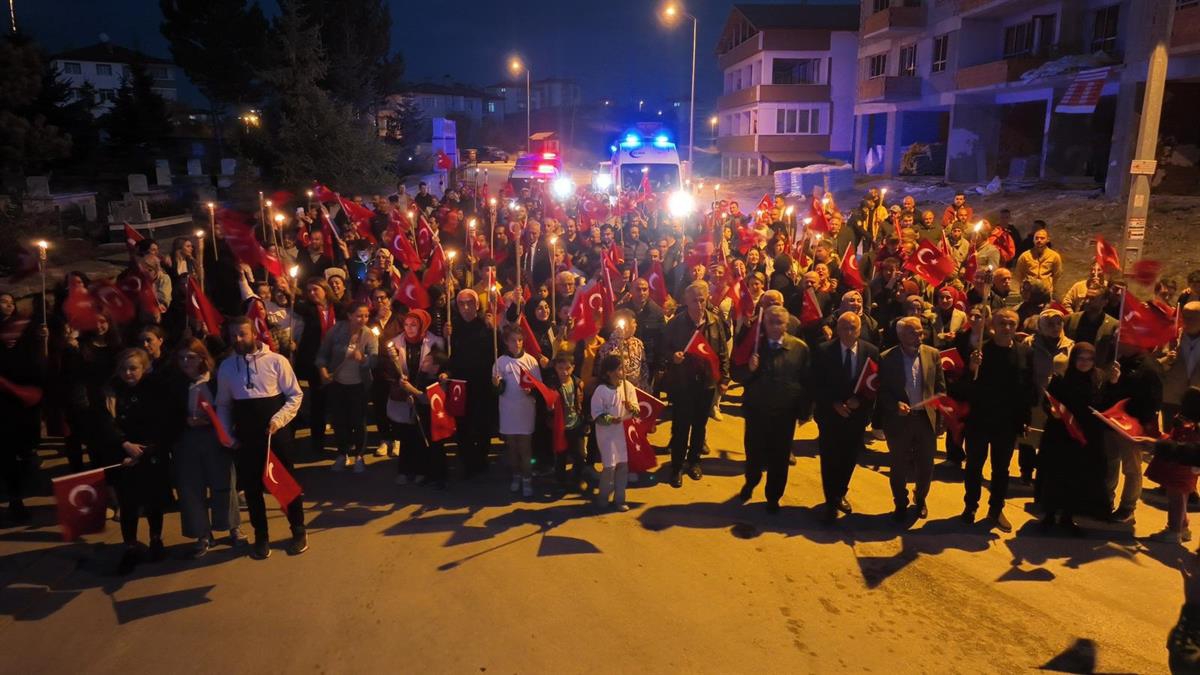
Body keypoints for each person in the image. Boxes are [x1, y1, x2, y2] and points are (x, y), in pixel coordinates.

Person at [215, 316, 307, 560]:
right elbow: (223, 404)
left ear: (253, 333)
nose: (237, 339)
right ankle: (261, 536)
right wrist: (227, 434)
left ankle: (298, 530)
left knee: (285, 486)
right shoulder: (226, 367)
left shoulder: (277, 361)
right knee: (253, 490)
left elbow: (294, 396)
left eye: (242, 334)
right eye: (233, 335)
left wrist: (278, 420)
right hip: (246, 438)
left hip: (276, 435)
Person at [93, 348, 172, 574]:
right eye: (124, 369)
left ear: (144, 368)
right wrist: (124, 446)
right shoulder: (111, 391)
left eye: (133, 368)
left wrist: (147, 450)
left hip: (150, 453)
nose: (128, 373)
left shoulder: (156, 389)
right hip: (123, 456)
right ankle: (130, 546)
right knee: (128, 505)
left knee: (153, 501)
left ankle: (156, 539)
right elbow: (107, 423)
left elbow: (162, 422)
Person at [962, 309, 1034, 532]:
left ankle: (996, 509)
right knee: (974, 466)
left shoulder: (1024, 353)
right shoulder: (980, 351)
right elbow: (964, 388)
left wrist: (1025, 419)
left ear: (1017, 327)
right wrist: (972, 368)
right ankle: (970, 507)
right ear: (993, 325)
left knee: (1001, 470)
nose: (1007, 328)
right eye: (1002, 323)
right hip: (980, 420)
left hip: (1007, 422)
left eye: (1011, 324)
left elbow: (1027, 389)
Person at [171, 338, 241, 558]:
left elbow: (231, 406)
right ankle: (202, 534)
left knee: (224, 484)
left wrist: (215, 421)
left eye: (190, 357)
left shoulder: (216, 379)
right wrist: (185, 421)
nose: (185, 362)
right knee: (191, 488)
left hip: (215, 438)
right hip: (187, 440)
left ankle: (232, 527)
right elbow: (165, 414)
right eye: (181, 358)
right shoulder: (174, 383)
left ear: (202, 357)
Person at [812, 312, 880, 524]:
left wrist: (860, 402)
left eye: (853, 328)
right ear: (837, 329)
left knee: (849, 457)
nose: (849, 332)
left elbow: (874, 385)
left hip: (856, 416)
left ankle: (841, 492)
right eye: (845, 328)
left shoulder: (870, 351)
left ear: (860, 329)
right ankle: (830, 499)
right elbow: (815, 383)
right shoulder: (824, 351)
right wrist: (834, 404)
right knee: (830, 458)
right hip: (830, 415)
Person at [660, 281, 730, 488]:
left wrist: (724, 378)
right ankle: (676, 467)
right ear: (686, 301)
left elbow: (722, 352)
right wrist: (673, 356)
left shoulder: (714, 322)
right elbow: (662, 349)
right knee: (681, 427)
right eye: (694, 300)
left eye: (702, 300)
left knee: (700, 426)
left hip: (706, 383)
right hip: (683, 383)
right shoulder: (676, 323)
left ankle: (695, 462)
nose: (699, 305)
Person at [877, 317, 945, 523]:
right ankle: (900, 502)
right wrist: (894, 405)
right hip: (899, 421)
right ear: (901, 335)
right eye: (913, 332)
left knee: (926, 465)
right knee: (898, 466)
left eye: (921, 332)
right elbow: (881, 391)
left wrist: (939, 418)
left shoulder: (932, 355)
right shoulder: (887, 358)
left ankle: (920, 497)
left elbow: (941, 389)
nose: (919, 336)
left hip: (925, 420)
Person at [1039, 343, 1108, 533]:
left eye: (1089, 359)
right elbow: (1048, 400)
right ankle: (1049, 515)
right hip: (1061, 435)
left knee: (1076, 479)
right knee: (1056, 476)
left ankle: (1068, 517)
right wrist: (1051, 410)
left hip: (1084, 436)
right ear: (1073, 359)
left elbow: (1105, 404)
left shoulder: (1099, 378)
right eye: (1080, 358)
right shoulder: (1062, 378)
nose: (1084, 363)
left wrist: (1116, 383)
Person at [315, 301, 379, 473]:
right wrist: (322, 370)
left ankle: (359, 455)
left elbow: (374, 359)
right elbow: (323, 354)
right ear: (350, 315)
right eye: (359, 315)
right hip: (337, 383)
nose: (363, 319)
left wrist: (364, 359)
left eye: (366, 316)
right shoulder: (336, 331)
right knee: (339, 420)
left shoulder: (369, 334)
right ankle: (342, 454)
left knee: (358, 421)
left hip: (359, 385)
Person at [385, 310, 446, 487]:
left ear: (423, 325)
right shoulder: (396, 343)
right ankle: (405, 470)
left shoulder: (435, 342)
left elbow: (440, 364)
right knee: (406, 434)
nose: (409, 329)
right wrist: (399, 381)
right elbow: (389, 368)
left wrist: (440, 375)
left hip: (425, 393)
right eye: (406, 325)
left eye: (414, 325)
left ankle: (421, 470)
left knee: (421, 434)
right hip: (404, 392)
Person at [446, 289, 496, 478]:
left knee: (483, 423)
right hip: (460, 384)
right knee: (463, 424)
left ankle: (482, 459)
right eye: (461, 303)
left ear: (477, 304)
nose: (466, 307)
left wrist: (494, 330)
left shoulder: (486, 324)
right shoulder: (453, 326)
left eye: (470, 303)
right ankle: (467, 462)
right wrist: (446, 336)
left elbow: (496, 351)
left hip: (482, 383)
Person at [493, 324, 541, 498]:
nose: (517, 344)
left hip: (525, 410)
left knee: (525, 447)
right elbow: (497, 390)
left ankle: (527, 478)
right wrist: (496, 384)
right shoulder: (500, 362)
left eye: (520, 340)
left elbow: (539, 387)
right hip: (508, 411)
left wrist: (532, 391)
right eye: (513, 340)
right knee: (512, 447)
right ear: (506, 342)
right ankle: (516, 475)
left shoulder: (531, 361)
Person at [1147, 388, 1200, 544]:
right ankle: (1183, 527)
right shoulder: (1194, 425)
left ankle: (1174, 530)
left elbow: (1177, 444)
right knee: (1181, 498)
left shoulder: (1185, 425)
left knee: (1175, 499)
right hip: (1189, 471)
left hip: (1178, 468)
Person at [591, 354, 637, 512]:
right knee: (609, 467)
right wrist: (610, 419)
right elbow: (596, 414)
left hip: (623, 434)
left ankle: (620, 499)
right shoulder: (601, 391)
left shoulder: (628, 387)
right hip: (607, 435)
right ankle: (603, 498)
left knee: (623, 466)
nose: (622, 370)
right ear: (609, 372)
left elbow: (636, 409)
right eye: (619, 368)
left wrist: (632, 408)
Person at [551, 353, 588, 494]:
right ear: (555, 368)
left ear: (573, 368)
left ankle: (577, 478)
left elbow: (581, 403)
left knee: (580, 455)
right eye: (561, 368)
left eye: (568, 368)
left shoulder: (577, 383)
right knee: (561, 456)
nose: (564, 372)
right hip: (560, 427)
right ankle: (560, 481)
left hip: (576, 425)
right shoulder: (552, 385)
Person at [1163, 302, 1200, 426]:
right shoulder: (1172, 336)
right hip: (1171, 398)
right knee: (1170, 438)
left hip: (1196, 400)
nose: (1186, 321)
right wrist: (1166, 360)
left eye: (1192, 318)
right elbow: (1154, 363)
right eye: (1185, 317)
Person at [1014, 228, 1062, 297]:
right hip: (1029, 292)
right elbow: (1019, 273)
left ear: (1047, 239)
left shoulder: (1054, 256)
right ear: (1033, 240)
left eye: (1042, 238)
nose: (1039, 240)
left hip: (1045, 292)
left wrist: (1051, 288)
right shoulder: (1025, 256)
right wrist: (1023, 287)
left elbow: (1057, 274)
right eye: (1036, 238)